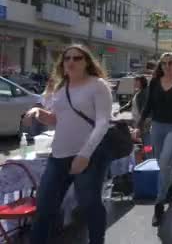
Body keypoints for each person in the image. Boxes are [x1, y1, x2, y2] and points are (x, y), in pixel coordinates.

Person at [25, 44, 113, 244]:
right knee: (44, 207)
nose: (71, 62)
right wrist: (39, 113)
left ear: (87, 62)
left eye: (77, 58)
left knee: (90, 205)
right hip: (58, 157)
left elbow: (102, 123)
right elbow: (57, 119)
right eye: (67, 58)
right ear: (62, 63)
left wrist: (84, 155)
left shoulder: (97, 85)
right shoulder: (61, 88)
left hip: (88, 156)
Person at [138, 53, 172, 227]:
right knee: (160, 163)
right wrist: (139, 125)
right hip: (158, 126)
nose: (167, 66)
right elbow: (148, 106)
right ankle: (169, 187)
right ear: (160, 66)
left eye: (171, 63)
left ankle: (158, 204)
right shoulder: (154, 83)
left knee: (164, 162)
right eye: (164, 64)